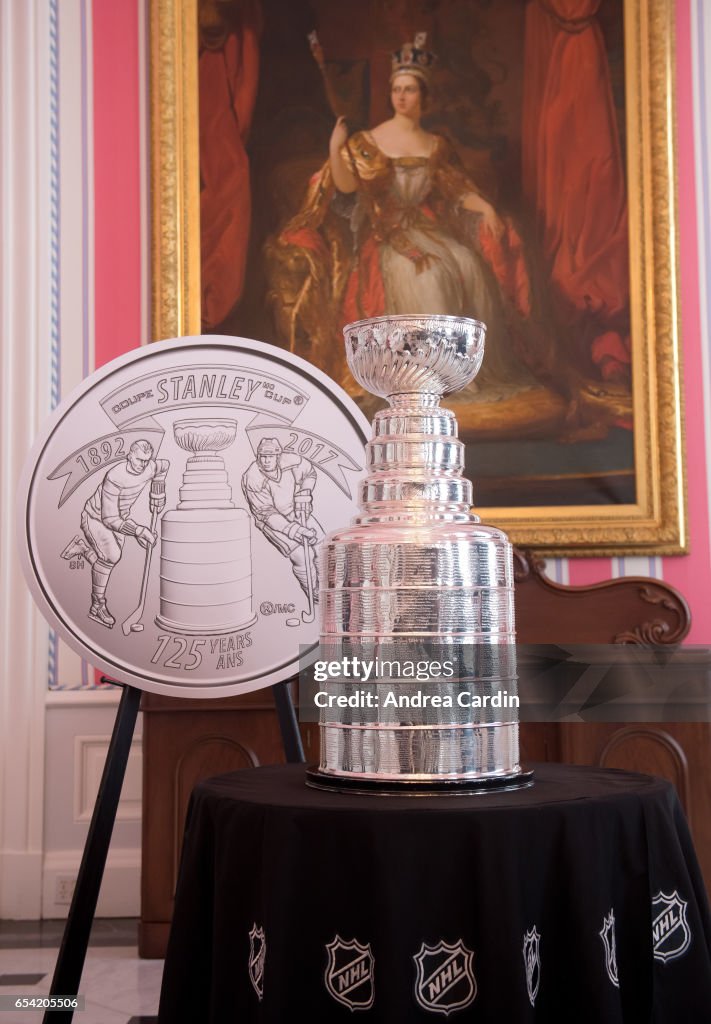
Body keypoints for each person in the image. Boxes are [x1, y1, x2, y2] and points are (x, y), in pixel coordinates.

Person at [268, 34, 550, 403]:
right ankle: (428, 376)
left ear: (423, 96)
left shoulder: (436, 145)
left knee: (468, 264)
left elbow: (454, 190)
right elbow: (346, 185)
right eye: (397, 89)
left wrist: (486, 208)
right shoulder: (371, 139)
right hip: (387, 235)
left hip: (428, 229)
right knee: (428, 274)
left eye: (410, 90)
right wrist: (337, 147)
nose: (401, 96)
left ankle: (464, 374)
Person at [61, 440, 169, 628]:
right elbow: (109, 518)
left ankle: (83, 548)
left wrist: (157, 494)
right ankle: (97, 605)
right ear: (129, 456)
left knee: (108, 560)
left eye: (146, 460)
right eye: (139, 460)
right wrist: (138, 531)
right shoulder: (114, 477)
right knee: (112, 556)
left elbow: (164, 466)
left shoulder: (150, 467)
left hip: (120, 519)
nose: (143, 465)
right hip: (95, 518)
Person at [241, 437, 321, 603]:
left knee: (322, 546)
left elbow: (310, 473)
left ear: (278, 456)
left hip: (295, 509)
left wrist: (305, 491)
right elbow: (266, 513)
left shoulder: (291, 461)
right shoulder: (253, 477)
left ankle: (328, 587)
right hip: (272, 521)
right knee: (302, 555)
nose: (266, 460)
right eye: (262, 456)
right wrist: (296, 530)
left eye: (270, 456)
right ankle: (314, 592)